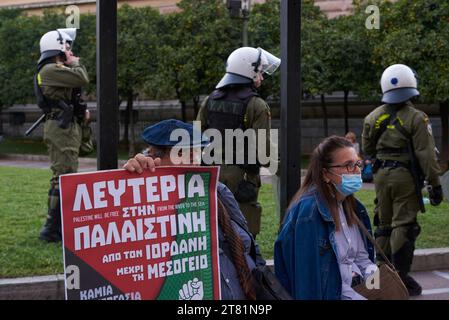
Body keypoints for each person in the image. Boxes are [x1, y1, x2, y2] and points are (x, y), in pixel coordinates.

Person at [123, 119, 266, 300]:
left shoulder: (218, 191)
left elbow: (249, 243)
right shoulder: (144, 200)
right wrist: (131, 185)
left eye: (197, 151)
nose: (194, 160)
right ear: (154, 157)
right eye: (181, 153)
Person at [362, 64, 443, 296]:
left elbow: (367, 148)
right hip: (405, 176)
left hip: (381, 176)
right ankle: (400, 277)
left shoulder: (373, 117)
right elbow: (426, 155)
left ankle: (382, 274)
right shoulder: (417, 118)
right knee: (404, 225)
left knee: (384, 225)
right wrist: (435, 185)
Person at [274, 136, 377, 300]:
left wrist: (378, 287)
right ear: (325, 174)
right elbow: (309, 284)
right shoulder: (309, 214)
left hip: (356, 290)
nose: (357, 170)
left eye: (357, 163)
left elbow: (362, 259)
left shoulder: (353, 207)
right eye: (348, 165)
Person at [196, 47, 281, 238]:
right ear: (248, 72)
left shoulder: (210, 100)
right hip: (242, 178)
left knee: (214, 230)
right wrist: (283, 169)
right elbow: (264, 150)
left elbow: (195, 138)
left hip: (211, 175)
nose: (262, 77)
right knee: (243, 234)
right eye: (260, 72)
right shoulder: (256, 105)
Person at [36, 28, 91, 242]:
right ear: (58, 46)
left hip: (67, 126)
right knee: (63, 177)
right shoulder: (49, 69)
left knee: (68, 175)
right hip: (60, 127)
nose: (70, 50)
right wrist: (74, 62)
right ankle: (52, 229)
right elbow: (82, 77)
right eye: (67, 46)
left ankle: (60, 226)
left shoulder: (56, 69)